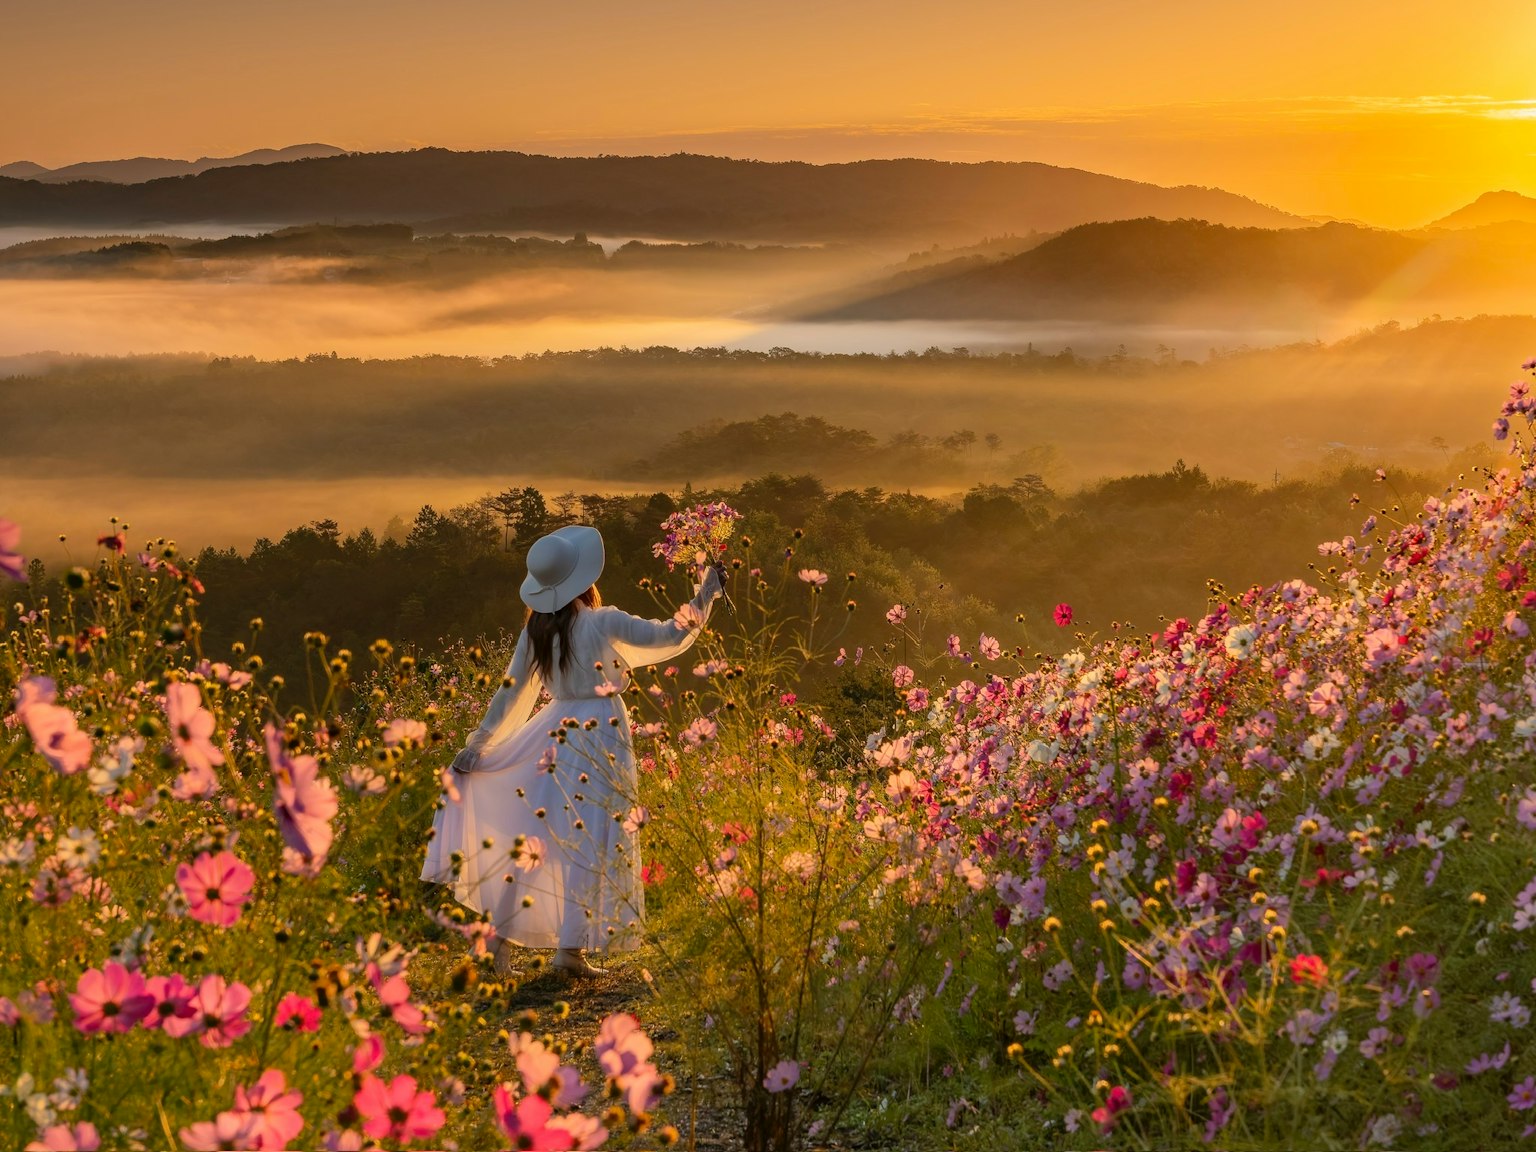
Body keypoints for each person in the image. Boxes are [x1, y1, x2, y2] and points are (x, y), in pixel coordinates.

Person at [420, 524, 723, 977]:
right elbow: (667, 635)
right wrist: (706, 595)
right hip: (601, 731)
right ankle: (568, 952)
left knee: (535, 833)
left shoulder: (536, 631)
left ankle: (499, 941)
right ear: (584, 581)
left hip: (554, 731)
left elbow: (510, 693)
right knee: (589, 836)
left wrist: (480, 742)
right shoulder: (602, 621)